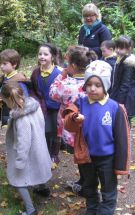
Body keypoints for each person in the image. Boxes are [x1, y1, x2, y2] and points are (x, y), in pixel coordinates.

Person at [63, 60, 130, 215]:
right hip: (86, 156)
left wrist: (121, 166)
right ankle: (92, 212)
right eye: (89, 84)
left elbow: (123, 139)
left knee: (108, 191)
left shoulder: (115, 108)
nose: (92, 89)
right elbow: (67, 122)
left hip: (107, 158)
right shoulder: (81, 103)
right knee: (89, 187)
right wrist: (73, 118)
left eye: (98, 85)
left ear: (105, 86)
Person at [0, 81, 52, 215]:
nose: (5, 104)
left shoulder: (20, 119)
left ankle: (30, 209)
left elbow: (23, 143)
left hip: (27, 152)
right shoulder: (35, 105)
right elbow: (41, 123)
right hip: (38, 146)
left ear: (10, 101)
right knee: (39, 167)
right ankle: (42, 188)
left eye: (5, 102)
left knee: (18, 179)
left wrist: (19, 162)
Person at [49, 46, 96, 193]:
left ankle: (86, 186)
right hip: (89, 126)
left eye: (67, 64)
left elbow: (52, 93)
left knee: (80, 155)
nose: (65, 66)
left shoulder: (66, 85)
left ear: (73, 66)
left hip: (72, 129)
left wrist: (61, 75)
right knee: (85, 155)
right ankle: (83, 181)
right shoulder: (94, 83)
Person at [30, 43, 62, 164]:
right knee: (42, 131)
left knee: (54, 131)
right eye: (40, 54)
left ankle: (54, 154)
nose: (42, 57)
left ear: (52, 57)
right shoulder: (35, 73)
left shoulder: (59, 73)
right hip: (39, 108)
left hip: (55, 109)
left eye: (45, 54)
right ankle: (43, 154)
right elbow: (32, 88)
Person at [109, 35, 135, 126]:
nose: (117, 50)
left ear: (129, 49)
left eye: (121, 48)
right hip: (118, 93)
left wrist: (119, 101)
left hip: (126, 97)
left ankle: (126, 139)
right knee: (119, 120)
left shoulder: (128, 63)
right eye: (117, 47)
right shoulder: (119, 59)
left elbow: (125, 84)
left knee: (125, 121)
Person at [0, 49, 29, 127]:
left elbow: (24, 99)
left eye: (4, 64)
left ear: (14, 64)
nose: (1, 66)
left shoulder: (19, 80)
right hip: (7, 111)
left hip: (16, 115)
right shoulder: (5, 77)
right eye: (1, 63)